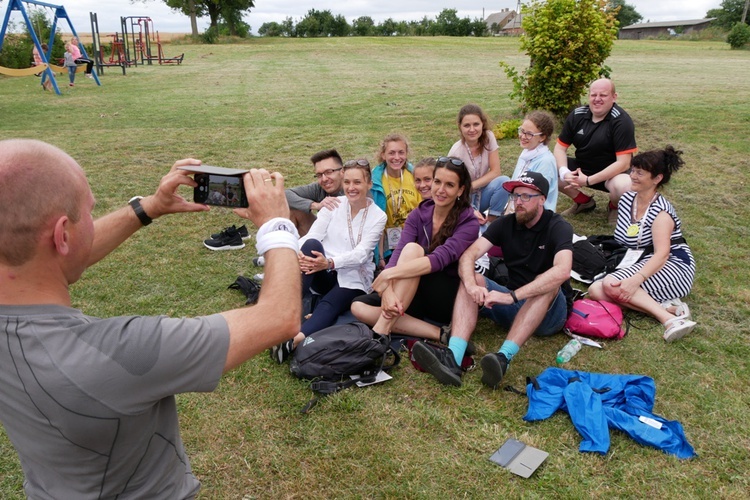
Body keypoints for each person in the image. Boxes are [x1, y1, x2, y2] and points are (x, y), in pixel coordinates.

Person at [0, 139, 301, 498]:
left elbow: (47, 258)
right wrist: (277, 225)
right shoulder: (121, 352)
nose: (93, 225)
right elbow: (279, 317)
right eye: (90, 214)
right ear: (63, 234)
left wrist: (149, 208)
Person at [412, 171, 573, 388]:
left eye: (526, 196)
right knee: (475, 278)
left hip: (549, 314)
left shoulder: (557, 225)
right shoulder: (506, 224)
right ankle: (453, 358)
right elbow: (469, 255)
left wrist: (511, 296)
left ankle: (503, 358)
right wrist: (470, 285)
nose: (519, 202)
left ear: (542, 199)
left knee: (548, 283)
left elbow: (563, 271)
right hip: (514, 305)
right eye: (516, 196)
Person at [351, 157, 479, 344]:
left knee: (413, 250)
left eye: (449, 185)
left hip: (443, 293)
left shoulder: (468, 221)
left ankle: (381, 330)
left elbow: (439, 259)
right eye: (437, 182)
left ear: (460, 190)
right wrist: (387, 291)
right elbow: (397, 254)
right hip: (411, 291)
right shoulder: (418, 214)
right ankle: (439, 334)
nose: (440, 190)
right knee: (358, 306)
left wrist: (388, 276)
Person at [270, 159, 387, 362]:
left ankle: (293, 340)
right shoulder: (333, 204)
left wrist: (330, 263)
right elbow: (312, 235)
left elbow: (361, 254)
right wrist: (295, 250)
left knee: (331, 302)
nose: (351, 188)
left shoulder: (378, 216)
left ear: (369, 184)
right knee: (309, 245)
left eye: (357, 182)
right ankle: (286, 314)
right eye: (347, 182)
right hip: (322, 271)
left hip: (353, 277)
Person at [588, 146, 696, 342]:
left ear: (657, 179)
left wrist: (636, 279)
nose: (633, 176)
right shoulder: (627, 199)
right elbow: (624, 239)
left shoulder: (661, 212)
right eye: (633, 170)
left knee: (610, 285)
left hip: (673, 265)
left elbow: (662, 254)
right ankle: (666, 308)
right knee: (595, 290)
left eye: (640, 173)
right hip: (643, 259)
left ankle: (669, 321)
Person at [555, 78, 637, 224]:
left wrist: (588, 181)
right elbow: (560, 148)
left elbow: (624, 163)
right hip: (582, 169)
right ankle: (583, 202)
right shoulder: (577, 115)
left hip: (613, 175)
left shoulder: (621, 121)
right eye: (593, 95)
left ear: (614, 97)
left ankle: (614, 206)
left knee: (626, 186)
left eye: (603, 95)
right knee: (546, 165)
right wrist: (564, 172)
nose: (597, 99)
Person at [448, 104, 508, 227]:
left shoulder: (489, 137)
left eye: (476, 124)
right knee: (475, 228)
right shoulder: (456, 152)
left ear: (482, 124)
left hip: (481, 191)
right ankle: (474, 220)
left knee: (504, 182)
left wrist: (472, 185)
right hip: (463, 198)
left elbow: (496, 171)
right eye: (467, 125)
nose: (472, 129)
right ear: (460, 127)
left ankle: (492, 221)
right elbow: (452, 189)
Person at [371, 133, 419, 268]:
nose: (397, 158)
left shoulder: (414, 176)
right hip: (388, 243)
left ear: (406, 154)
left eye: (401, 153)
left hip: (414, 238)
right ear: (383, 155)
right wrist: (379, 256)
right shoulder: (375, 182)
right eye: (391, 153)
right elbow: (374, 221)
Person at [285, 148, 345, 237]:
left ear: (342, 172)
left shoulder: (354, 189)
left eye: (329, 172)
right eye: (319, 175)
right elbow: (285, 194)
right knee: (293, 209)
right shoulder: (319, 188)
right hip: (323, 236)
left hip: (348, 241)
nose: (324, 179)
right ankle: (287, 249)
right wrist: (315, 205)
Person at [507, 110, 559, 212]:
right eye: (522, 131)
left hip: (532, 215)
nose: (522, 136)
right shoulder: (526, 152)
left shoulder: (546, 162)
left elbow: (535, 200)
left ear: (542, 137)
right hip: (518, 206)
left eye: (529, 134)